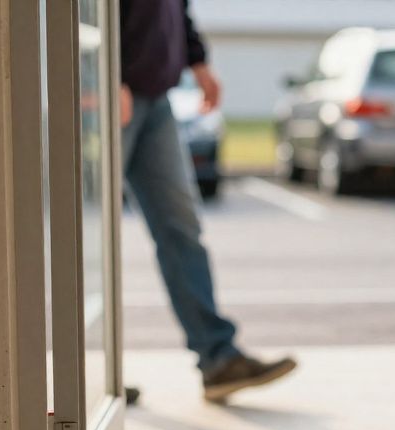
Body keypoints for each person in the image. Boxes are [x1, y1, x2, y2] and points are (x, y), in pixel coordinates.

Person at [119, 0, 295, 402]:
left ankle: (218, 359)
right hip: (107, 91)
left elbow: (175, 8)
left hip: (155, 97)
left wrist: (198, 62)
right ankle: (79, 374)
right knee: (83, 233)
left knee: (180, 227)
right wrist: (97, 73)